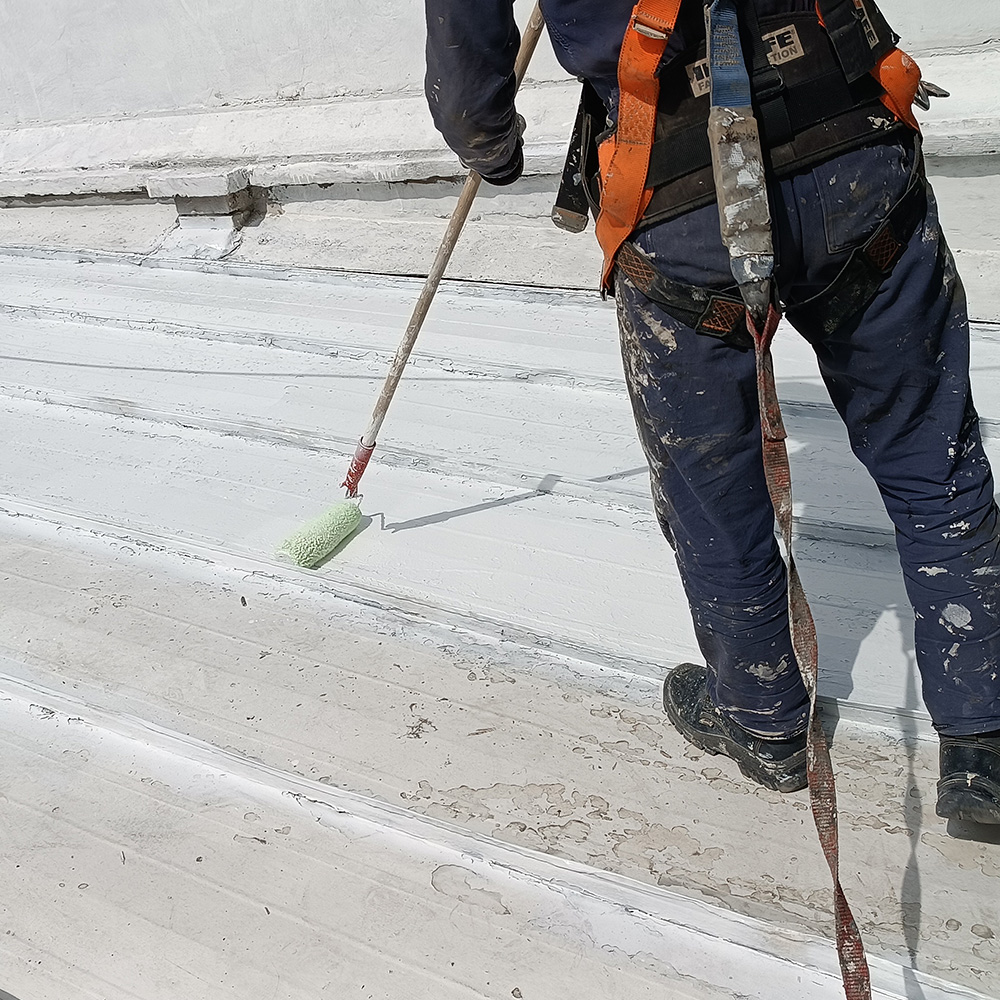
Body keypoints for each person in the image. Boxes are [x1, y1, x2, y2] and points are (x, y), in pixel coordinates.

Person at [423, 0, 1000, 825]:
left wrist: (492, 143)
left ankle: (765, 721)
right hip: (852, 150)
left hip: (680, 201)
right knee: (929, 455)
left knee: (712, 488)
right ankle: (983, 736)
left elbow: (468, 90)